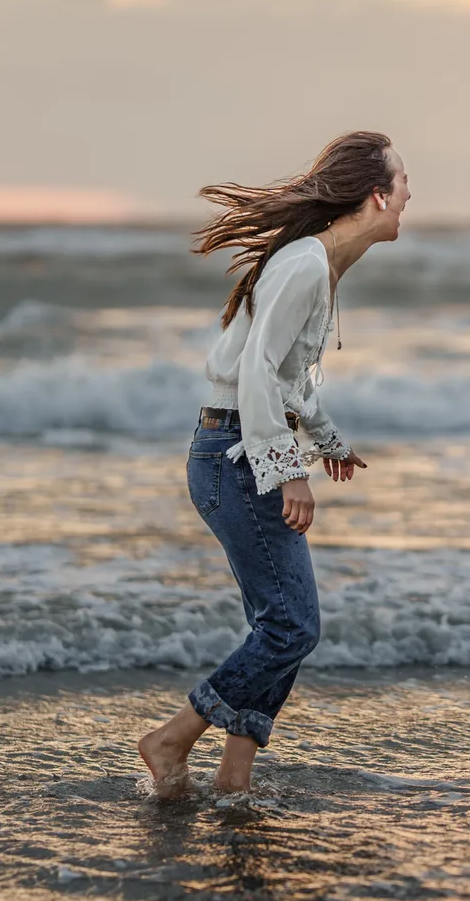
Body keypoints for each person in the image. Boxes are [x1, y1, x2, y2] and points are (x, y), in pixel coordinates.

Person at [138, 131, 409, 799]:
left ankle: (233, 782)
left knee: (278, 625)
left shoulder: (319, 265)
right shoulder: (308, 265)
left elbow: (286, 381)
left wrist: (329, 440)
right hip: (235, 456)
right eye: (403, 181)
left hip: (230, 450)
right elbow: (256, 372)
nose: (411, 194)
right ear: (377, 195)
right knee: (294, 626)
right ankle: (172, 737)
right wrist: (288, 470)